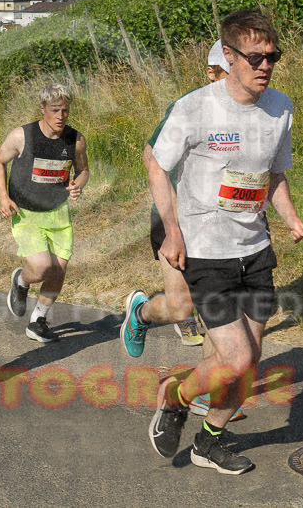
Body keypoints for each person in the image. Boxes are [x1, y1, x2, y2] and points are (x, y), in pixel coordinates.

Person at [145, 10, 303, 475]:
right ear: (230, 56)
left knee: (250, 362)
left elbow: (273, 174)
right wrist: (172, 232)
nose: (265, 65)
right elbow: (157, 164)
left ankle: (209, 441)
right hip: (206, 251)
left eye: (272, 56)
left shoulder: (281, 107)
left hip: (254, 249)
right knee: (234, 357)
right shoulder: (196, 107)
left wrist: (291, 217)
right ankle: (174, 397)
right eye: (255, 57)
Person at [122, 40, 243, 420]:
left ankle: (208, 390)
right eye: (229, 74)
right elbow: (150, 156)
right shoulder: (189, 106)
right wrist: (174, 216)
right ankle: (140, 314)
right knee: (180, 307)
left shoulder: (250, 107)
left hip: (220, 224)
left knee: (218, 310)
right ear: (212, 72)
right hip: (175, 218)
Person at [0, 83, 89, 343]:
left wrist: (76, 186)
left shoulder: (76, 140)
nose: (61, 116)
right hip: (26, 213)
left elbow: (83, 170)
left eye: (66, 111)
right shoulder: (22, 136)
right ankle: (22, 281)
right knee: (41, 267)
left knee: (58, 269)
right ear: (43, 108)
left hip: (58, 213)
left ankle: (38, 321)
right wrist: (4, 197)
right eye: (55, 110)